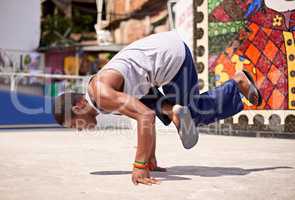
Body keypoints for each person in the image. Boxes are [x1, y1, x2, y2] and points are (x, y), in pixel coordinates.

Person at [52, 31, 262, 186]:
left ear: (79, 106)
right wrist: (149, 157)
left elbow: (146, 116)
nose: (79, 129)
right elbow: (142, 113)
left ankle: (237, 84)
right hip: (155, 67)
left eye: (75, 124)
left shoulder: (101, 94)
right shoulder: (100, 97)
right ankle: (173, 112)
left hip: (171, 57)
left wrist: (139, 166)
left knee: (195, 114)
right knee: (151, 107)